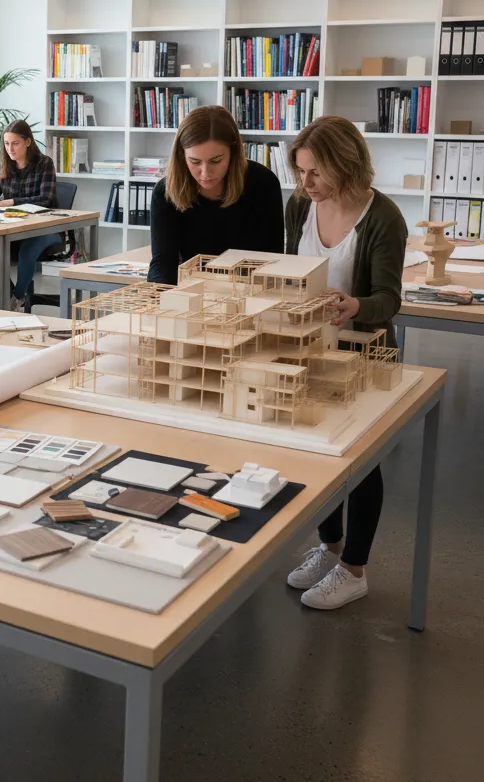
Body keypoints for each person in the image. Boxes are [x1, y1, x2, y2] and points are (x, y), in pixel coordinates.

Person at [283, 116, 407, 610]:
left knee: (362, 461)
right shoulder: (300, 205)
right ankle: (330, 548)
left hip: (363, 355)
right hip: (311, 348)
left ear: (346, 163)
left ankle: (354, 570)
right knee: (317, 453)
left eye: (316, 172)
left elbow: (389, 300)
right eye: (300, 171)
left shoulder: (384, 217)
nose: (306, 182)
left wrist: (354, 305)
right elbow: (291, 269)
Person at [147, 105, 284, 285]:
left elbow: (272, 259)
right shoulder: (165, 192)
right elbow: (163, 263)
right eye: (195, 161)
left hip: (250, 290)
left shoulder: (263, 183)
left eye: (216, 161)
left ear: (233, 152)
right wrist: (158, 295)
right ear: (181, 155)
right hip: (191, 288)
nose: (205, 173)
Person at [0, 120, 60, 312]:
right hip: (15, 227)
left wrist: (12, 202)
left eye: (15, 143)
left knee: (27, 250)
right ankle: (11, 296)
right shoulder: (4, 163)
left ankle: (16, 298)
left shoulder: (44, 163)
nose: (10, 149)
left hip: (45, 227)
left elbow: (46, 199)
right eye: (7, 143)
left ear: (28, 142)